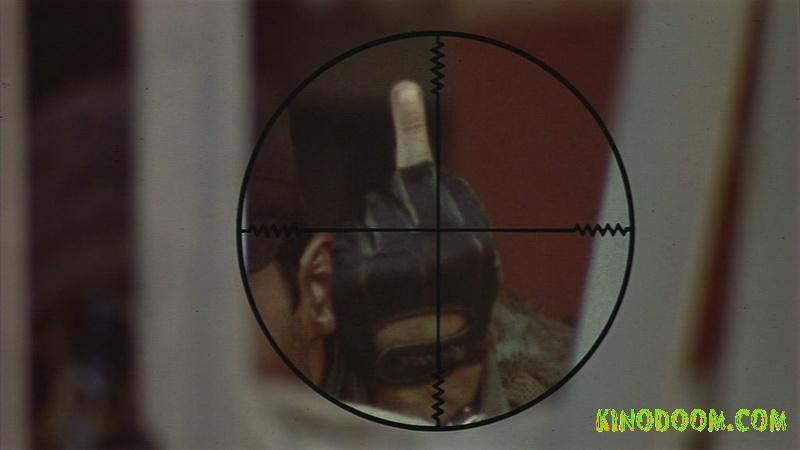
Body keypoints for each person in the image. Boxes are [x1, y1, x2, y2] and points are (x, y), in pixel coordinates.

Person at [247, 81, 572, 426]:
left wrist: (440, 418)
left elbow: (615, 423)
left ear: (317, 288)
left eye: (219, 297)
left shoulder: (537, 376)